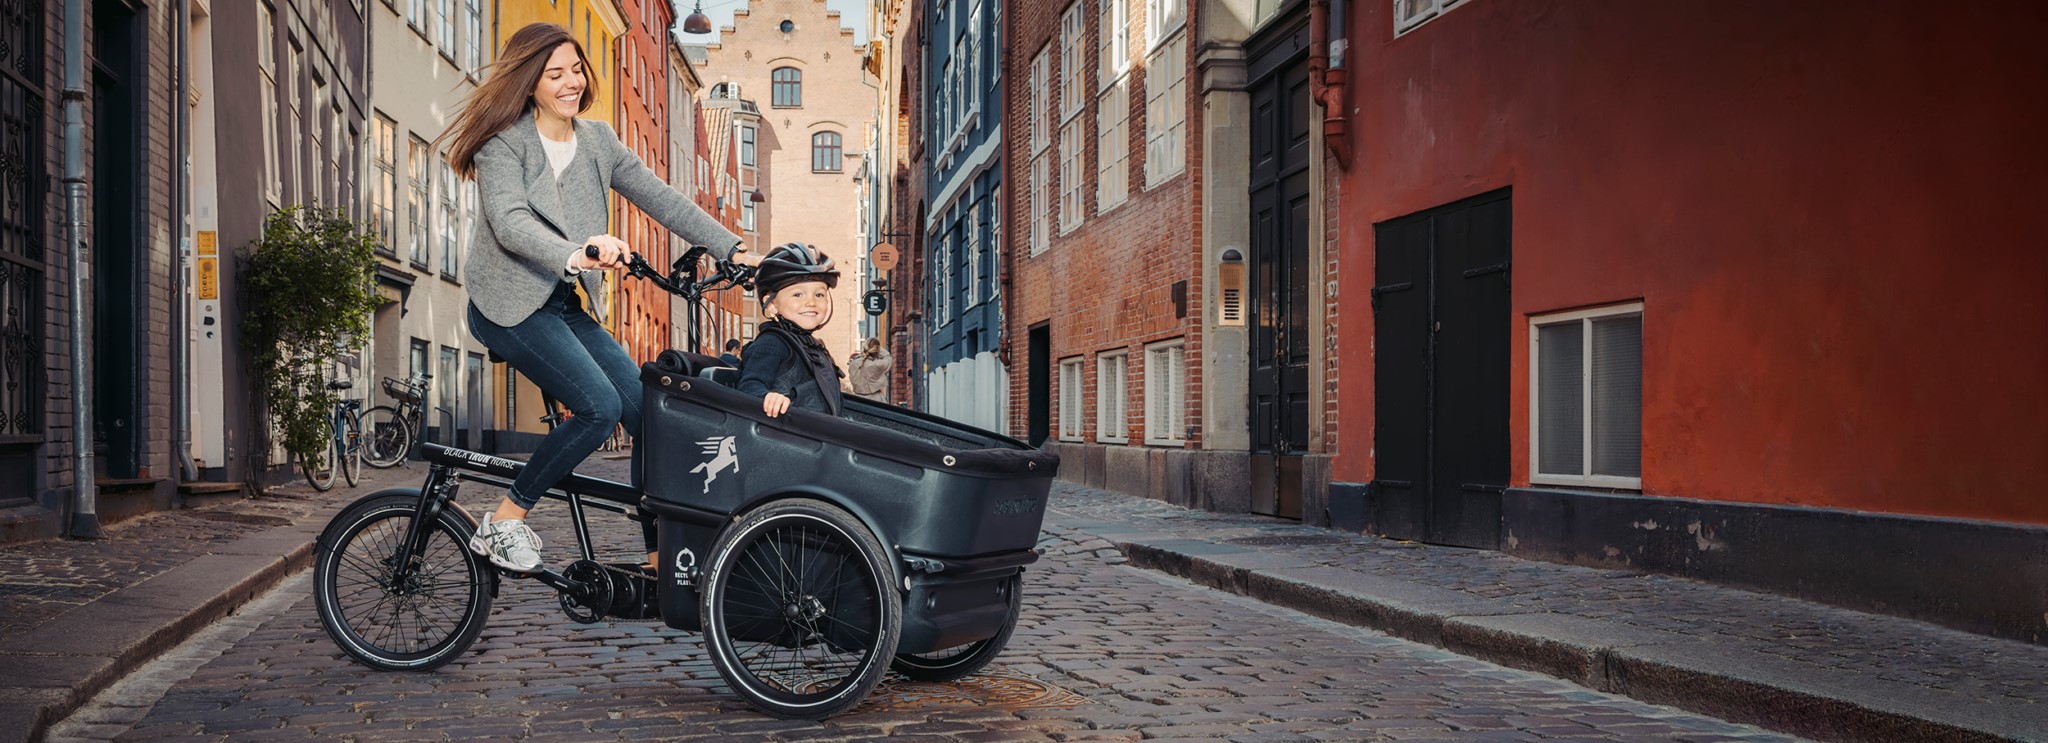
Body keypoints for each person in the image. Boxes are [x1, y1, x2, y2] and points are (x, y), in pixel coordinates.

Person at [438, 22, 755, 572]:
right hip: (507, 304)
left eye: (576, 69)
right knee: (598, 408)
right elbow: (511, 223)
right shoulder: (503, 143)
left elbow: (662, 199)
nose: (571, 83)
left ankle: (658, 559)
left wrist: (734, 248)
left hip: (562, 306)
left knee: (650, 414)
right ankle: (505, 519)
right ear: (529, 82)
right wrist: (576, 252)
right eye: (554, 74)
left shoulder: (598, 141)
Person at [737, 244, 845, 418]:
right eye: (798, 295)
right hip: (785, 432)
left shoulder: (813, 347)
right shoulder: (772, 343)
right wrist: (768, 397)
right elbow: (749, 385)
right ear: (772, 304)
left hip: (819, 430)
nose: (811, 302)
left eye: (819, 295)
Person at [846, 337, 891, 401]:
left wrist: (866, 349)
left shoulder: (853, 363)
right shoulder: (878, 364)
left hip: (858, 400)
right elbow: (887, 356)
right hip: (876, 400)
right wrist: (877, 348)